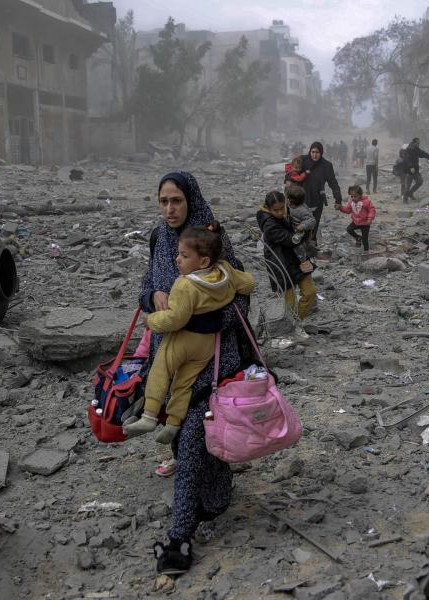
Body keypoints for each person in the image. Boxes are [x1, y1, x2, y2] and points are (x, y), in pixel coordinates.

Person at [138, 171, 252, 576]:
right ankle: (215, 497)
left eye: (177, 201)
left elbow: (240, 299)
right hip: (168, 361)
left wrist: (198, 317)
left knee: (189, 446)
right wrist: (154, 297)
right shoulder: (158, 239)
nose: (170, 209)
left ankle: (178, 539)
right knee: (194, 446)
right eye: (164, 201)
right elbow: (145, 290)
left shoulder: (210, 240)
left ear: (192, 201)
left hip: (212, 363)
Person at [125, 223, 255, 444]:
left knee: (161, 369)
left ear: (203, 261)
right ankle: (174, 423)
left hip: (182, 340)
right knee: (185, 382)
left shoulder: (185, 285)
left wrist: (151, 320)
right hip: (206, 345)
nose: (177, 259)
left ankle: (149, 415)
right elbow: (249, 283)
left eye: (184, 256)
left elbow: (176, 319)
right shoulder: (225, 271)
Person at [258, 190, 316, 327]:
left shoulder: (290, 212)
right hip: (280, 264)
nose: (279, 213)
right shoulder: (269, 224)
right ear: (268, 208)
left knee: (310, 292)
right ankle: (290, 328)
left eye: (282, 208)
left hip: (297, 258)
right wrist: (302, 231)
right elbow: (290, 240)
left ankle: (295, 322)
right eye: (275, 210)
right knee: (289, 302)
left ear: (286, 203)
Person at [299, 141, 343, 247]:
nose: (314, 155)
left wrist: (338, 199)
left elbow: (333, 183)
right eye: (313, 152)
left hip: (317, 199)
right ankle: (300, 245)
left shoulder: (326, 166)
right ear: (309, 151)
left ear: (321, 153)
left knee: (314, 223)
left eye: (317, 152)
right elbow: (291, 173)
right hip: (300, 199)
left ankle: (312, 245)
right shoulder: (302, 160)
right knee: (300, 224)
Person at [337, 184, 376, 251]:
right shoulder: (351, 202)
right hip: (356, 222)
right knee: (349, 229)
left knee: (365, 240)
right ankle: (358, 237)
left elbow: (372, 210)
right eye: (351, 196)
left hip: (365, 223)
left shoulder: (366, 201)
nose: (353, 198)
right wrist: (340, 208)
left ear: (360, 195)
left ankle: (366, 252)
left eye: (355, 196)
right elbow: (348, 210)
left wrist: (369, 219)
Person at [285, 184, 316, 269]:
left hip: (301, 233)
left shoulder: (302, 209)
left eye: (290, 199)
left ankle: (304, 263)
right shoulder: (289, 206)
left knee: (299, 248)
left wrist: (302, 226)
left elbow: (312, 220)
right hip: (292, 231)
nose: (288, 200)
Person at [402, 137, 429, 203]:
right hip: (409, 170)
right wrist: (411, 167)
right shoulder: (409, 149)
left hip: (415, 170)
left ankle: (410, 193)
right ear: (414, 142)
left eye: (419, 143)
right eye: (418, 143)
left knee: (420, 181)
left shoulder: (415, 148)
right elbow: (407, 159)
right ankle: (405, 199)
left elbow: (421, 153)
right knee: (408, 185)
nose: (419, 144)